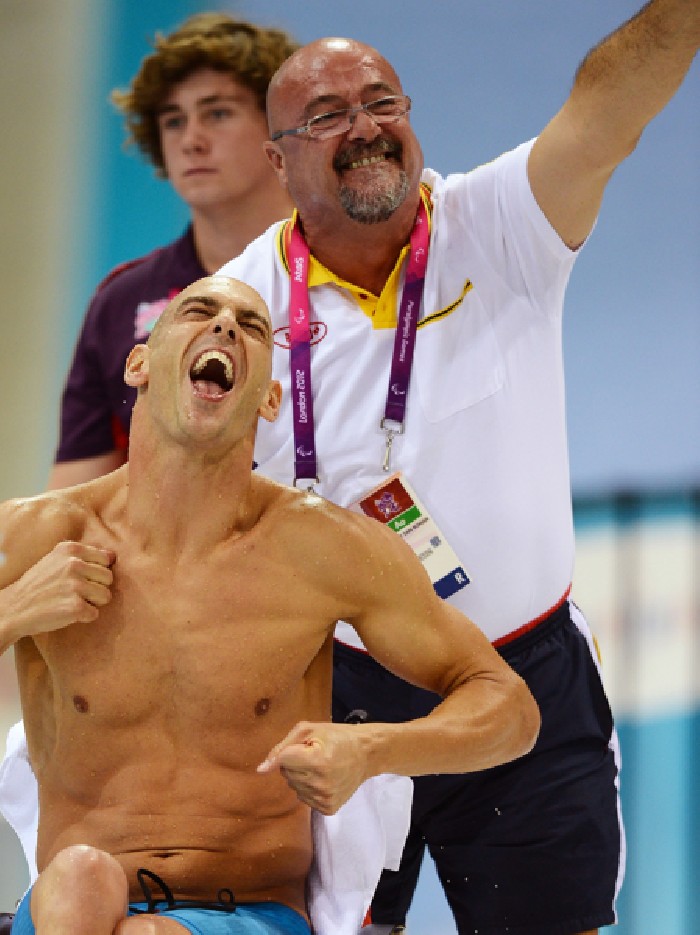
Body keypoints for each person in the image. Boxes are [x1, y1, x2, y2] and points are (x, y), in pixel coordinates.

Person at [212, 4, 698, 934]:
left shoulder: (500, 223)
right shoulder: (238, 311)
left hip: (533, 672)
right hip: (342, 689)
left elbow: (608, 111)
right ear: (277, 161)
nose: (362, 126)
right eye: (325, 114)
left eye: (380, 100)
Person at [0, 276, 539, 935]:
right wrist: (13, 611)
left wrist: (372, 748)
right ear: (138, 363)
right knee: (82, 875)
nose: (225, 327)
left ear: (272, 399)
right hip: (71, 906)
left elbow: (509, 707)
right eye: (200, 312)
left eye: (252, 326)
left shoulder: (322, 548)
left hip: (248, 911)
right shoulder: (33, 536)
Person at [49, 11, 296, 490]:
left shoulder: (351, 272)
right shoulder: (122, 299)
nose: (191, 140)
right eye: (173, 121)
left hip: (335, 555)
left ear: (282, 129)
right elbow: (72, 500)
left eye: (218, 113)